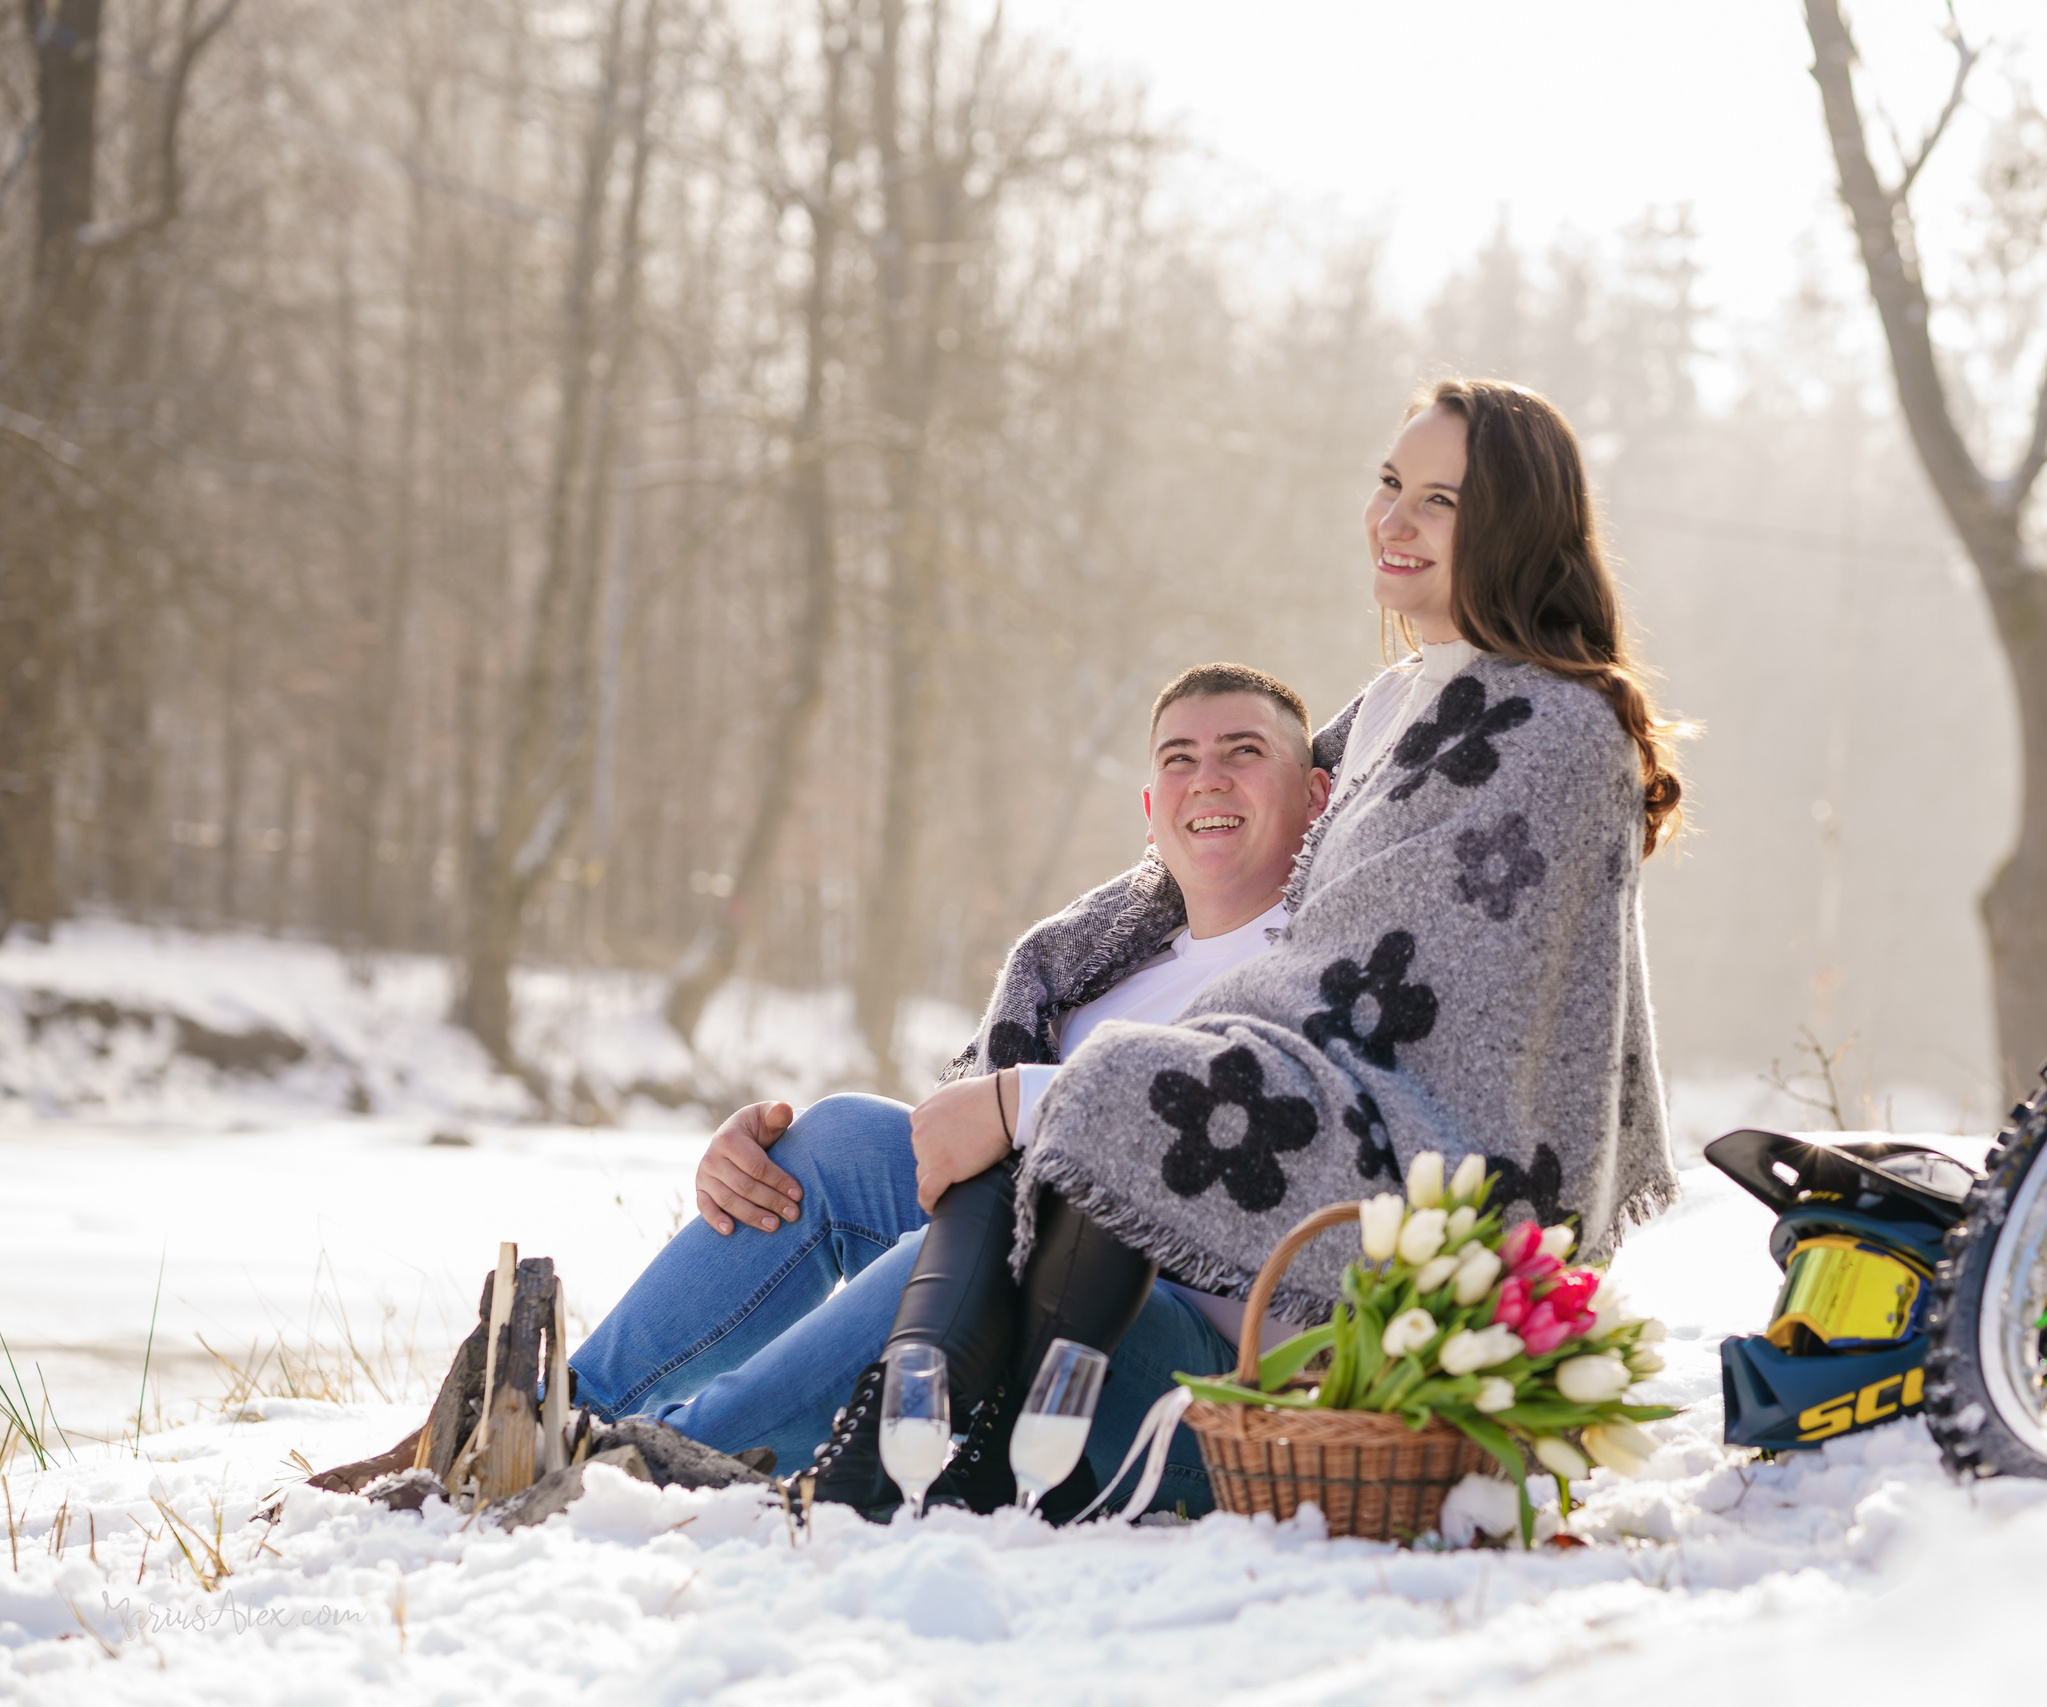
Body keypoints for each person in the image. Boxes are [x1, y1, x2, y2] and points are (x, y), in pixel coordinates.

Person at [805, 377, 1686, 1520]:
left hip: (1368, 1211)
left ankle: (895, 1465)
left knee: (1118, 1093)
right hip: (1241, 1158)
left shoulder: (1554, 728)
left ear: (1514, 524)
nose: (1393, 521)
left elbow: (1410, 1007)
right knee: (896, 1133)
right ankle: (637, 1425)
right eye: (1387, 485)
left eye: (1438, 500)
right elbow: (1224, 859)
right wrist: (1047, 1005)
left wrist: (1047, 1092)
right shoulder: (1393, 705)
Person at [569, 663, 1333, 1517]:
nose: (1209, 778)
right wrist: (751, 1158)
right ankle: (554, 1412)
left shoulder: (1326, 968)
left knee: (983, 1241)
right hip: (1022, 1303)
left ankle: (648, 1464)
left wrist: (1032, 1104)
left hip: (1197, 1387)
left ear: (1316, 794)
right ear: (1152, 812)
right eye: (1179, 758)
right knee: (840, 1137)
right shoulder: (1100, 977)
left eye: (1244, 750)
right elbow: (959, 1149)